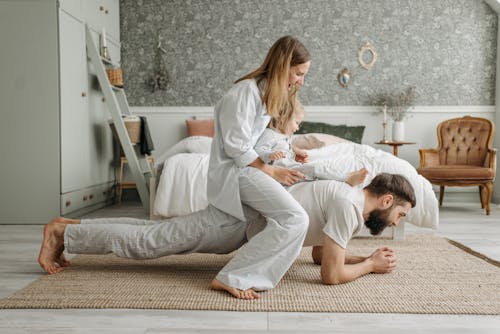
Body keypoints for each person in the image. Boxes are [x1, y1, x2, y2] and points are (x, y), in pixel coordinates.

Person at [38, 173, 416, 299]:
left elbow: (320, 257)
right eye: (399, 213)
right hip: (234, 222)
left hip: (239, 227)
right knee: (150, 244)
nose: (397, 222)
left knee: (155, 235)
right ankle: (60, 234)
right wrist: (368, 264)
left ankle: (70, 230)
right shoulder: (349, 205)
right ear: (385, 200)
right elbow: (330, 276)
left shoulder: (346, 200)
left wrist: (357, 258)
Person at [206, 36, 312, 297]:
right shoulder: (244, 92)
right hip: (235, 172)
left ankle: (245, 273)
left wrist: (291, 149)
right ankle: (233, 276)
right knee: (295, 219)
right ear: (283, 65)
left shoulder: (265, 95)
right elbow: (238, 147)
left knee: (291, 219)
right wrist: (272, 171)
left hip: (247, 169)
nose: (300, 80)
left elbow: (261, 138)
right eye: (298, 73)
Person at [254, 102, 368, 186]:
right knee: (316, 168)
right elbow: (257, 151)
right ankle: (346, 178)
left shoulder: (283, 137)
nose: (297, 127)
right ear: (284, 118)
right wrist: (269, 155)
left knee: (319, 166)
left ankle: (348, 175)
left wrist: (295, 150)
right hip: (282, 172)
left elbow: (286, 146)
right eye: (297, 122)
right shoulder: (269, 134)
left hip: (291, 166)